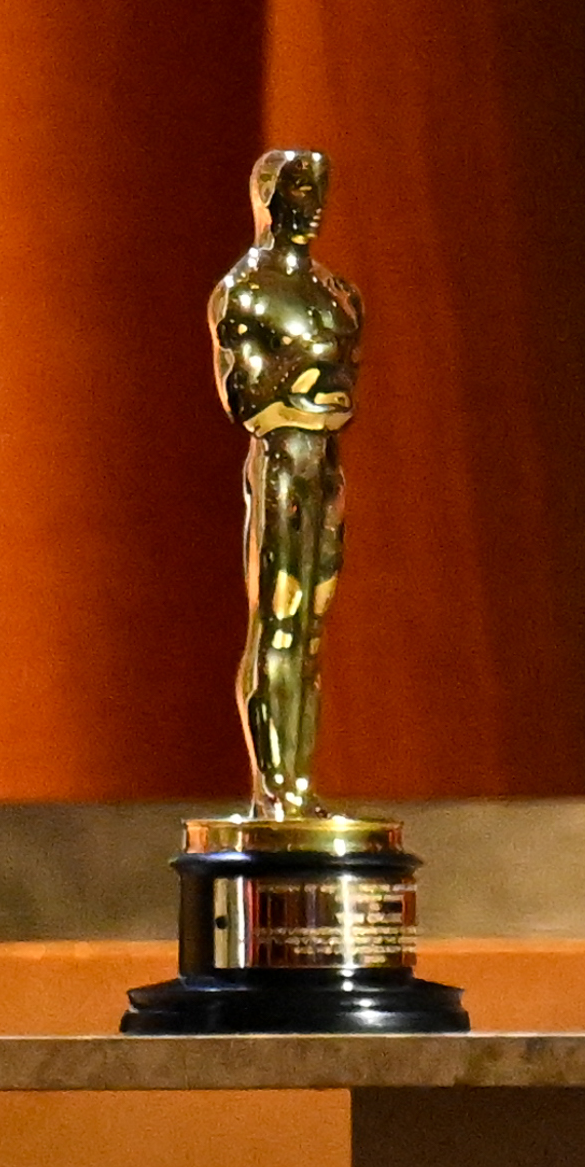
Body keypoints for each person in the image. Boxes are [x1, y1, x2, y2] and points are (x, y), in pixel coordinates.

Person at [208, 147, 362, 816]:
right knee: (278, 622)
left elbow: (344, 391)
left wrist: (309, 394)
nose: (311, 201)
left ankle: (299, 788)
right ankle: (276, 791)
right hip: (280, 467)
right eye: (300, 188)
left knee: (313, 632)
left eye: (319, 187)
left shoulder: (337, 294)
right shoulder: (246, 293)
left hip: (323, 468)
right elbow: (247, 399)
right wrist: (308, 394)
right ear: (268, 195)